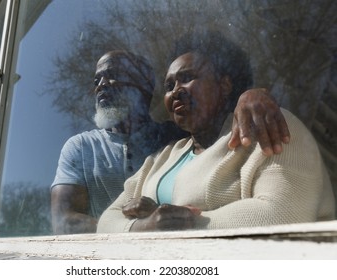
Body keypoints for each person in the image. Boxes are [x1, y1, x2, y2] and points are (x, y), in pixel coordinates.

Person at [96, 32, 335, 233]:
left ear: (224, 85)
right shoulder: (163, 158)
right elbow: (107, 221)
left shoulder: (268, 122)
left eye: (186, 78)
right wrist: (145, 226)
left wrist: (185, 224)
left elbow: (283, 214)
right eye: (169, 86)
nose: (176, 91)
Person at [51, 49, 291, 234]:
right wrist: (141, 228)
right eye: (97, 81)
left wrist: (251, 96)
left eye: (113, 76)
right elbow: (63, 221)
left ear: (144, 87)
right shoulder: (81, 147)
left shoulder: (173, 139)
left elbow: (212, 126)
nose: (101, 86)